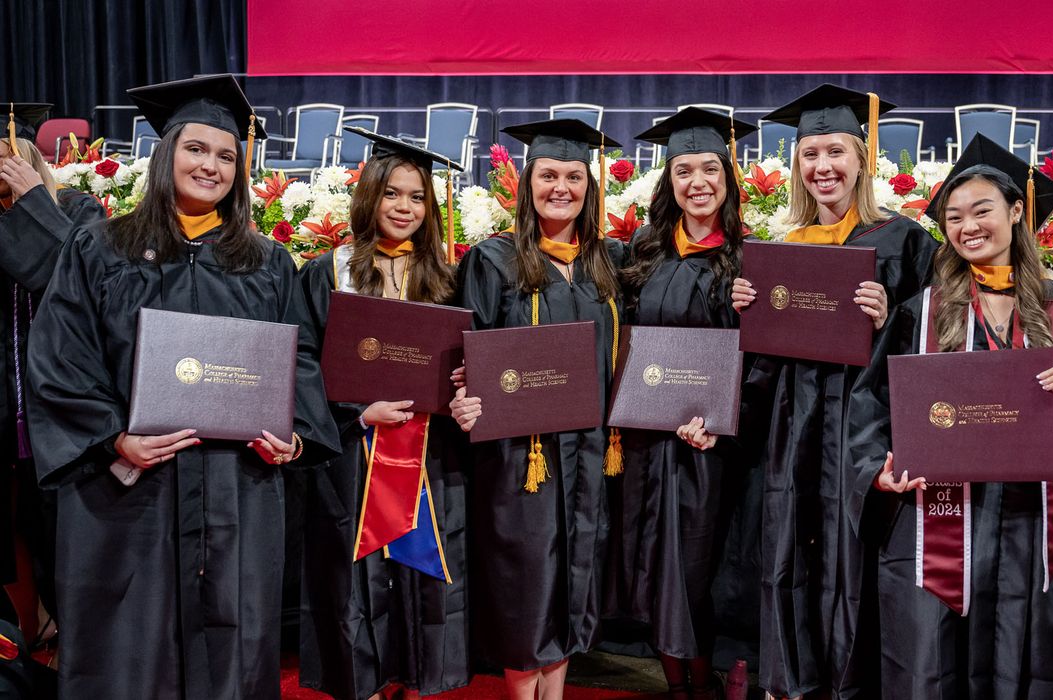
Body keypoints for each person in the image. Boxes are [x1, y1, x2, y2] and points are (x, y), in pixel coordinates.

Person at [25, 74, 340, 699]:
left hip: (236, 486)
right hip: (129, 488)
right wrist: (114, 438)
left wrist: (295, 436)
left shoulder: (267, 262)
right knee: (128, 644)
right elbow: (61, 356)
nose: (210, 166)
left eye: (226, 155)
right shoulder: (102, 248)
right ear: (167, 152)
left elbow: (299, 358)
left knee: (232, 641)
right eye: (196, 149)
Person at [849, 134, 1053, 699]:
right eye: (953, 218)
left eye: (982, 211)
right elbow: (870, 404)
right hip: (939, 520)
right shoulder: (920, 313)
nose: (967, 227)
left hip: (1030, 526)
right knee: (933, 666)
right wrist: (878, 468)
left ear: (1017, 212)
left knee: (1032, 663)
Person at [726, 84, 939, 699]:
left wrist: (891, 316)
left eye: (836, 152)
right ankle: (791, 682)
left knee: (854, 554)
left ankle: (855, 684)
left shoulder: (903, 239)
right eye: (810, 154)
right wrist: (751, 314)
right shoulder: (783, 248)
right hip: (795, 422)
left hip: (863, 425)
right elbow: (764, 362)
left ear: (861, 159)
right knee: (790, 548)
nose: (823, 167)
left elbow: (939, 335)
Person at [449, 119, 625, 699]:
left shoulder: (607, 260)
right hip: (520, 456)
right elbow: (468, 353)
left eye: (574, 176)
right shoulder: (493, 260)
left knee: (575, 575)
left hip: (589, 454)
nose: (561, 187)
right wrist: (463, 392)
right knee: (527, 581)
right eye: (548, 175)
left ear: (589, 186)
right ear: (527, 184)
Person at [298, 127, 468, 700]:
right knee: (358, 580)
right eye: (392, 193)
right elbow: (303, 362)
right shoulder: (329, 272)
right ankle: (365, 687)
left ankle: (418, 683)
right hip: (356, 452)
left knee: (425, 581)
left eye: (417, 197)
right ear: (370, 196)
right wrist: (356, 411)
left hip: (431, 455)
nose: (404, 207)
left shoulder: (446, 278)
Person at [611, 107, 756, 699]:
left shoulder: (749, 256)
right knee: (650, 561)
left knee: (697, 564)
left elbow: (761, 361)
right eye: (683, 171)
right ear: (668, 182)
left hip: (708, 448)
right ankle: (676, 683)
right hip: (646, 442)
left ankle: (705, 678)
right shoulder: (643, 250)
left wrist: (722, 422)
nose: (698, 182)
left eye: (709, 169)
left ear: (727, 177)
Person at [0, 103, 104, 645]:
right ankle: (33, 624)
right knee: (19, 528)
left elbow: (87, 282)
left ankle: (81, 640)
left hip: (62, 405)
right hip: (7, 404)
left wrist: (33, 204)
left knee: (66, 528)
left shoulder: (77, 208)